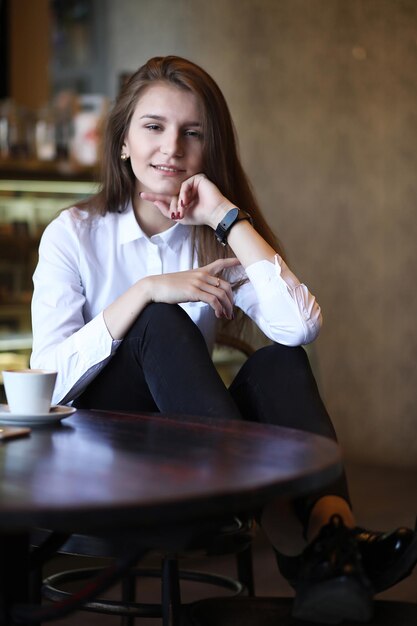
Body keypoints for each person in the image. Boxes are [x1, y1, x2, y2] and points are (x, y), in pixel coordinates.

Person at [30, 56, 416, 624]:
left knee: (280, 364)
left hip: (194, 449)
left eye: (193, 133)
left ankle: (329, 540)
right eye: (154, 127)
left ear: (211, 149)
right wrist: (145, 292)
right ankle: (317, 546)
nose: (172, 148)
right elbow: (46, 382)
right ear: (123, 142)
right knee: (157, 321)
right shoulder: (73, 234)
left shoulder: (213, 237)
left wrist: (228, 218)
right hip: (97, 454)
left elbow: (301, 327)